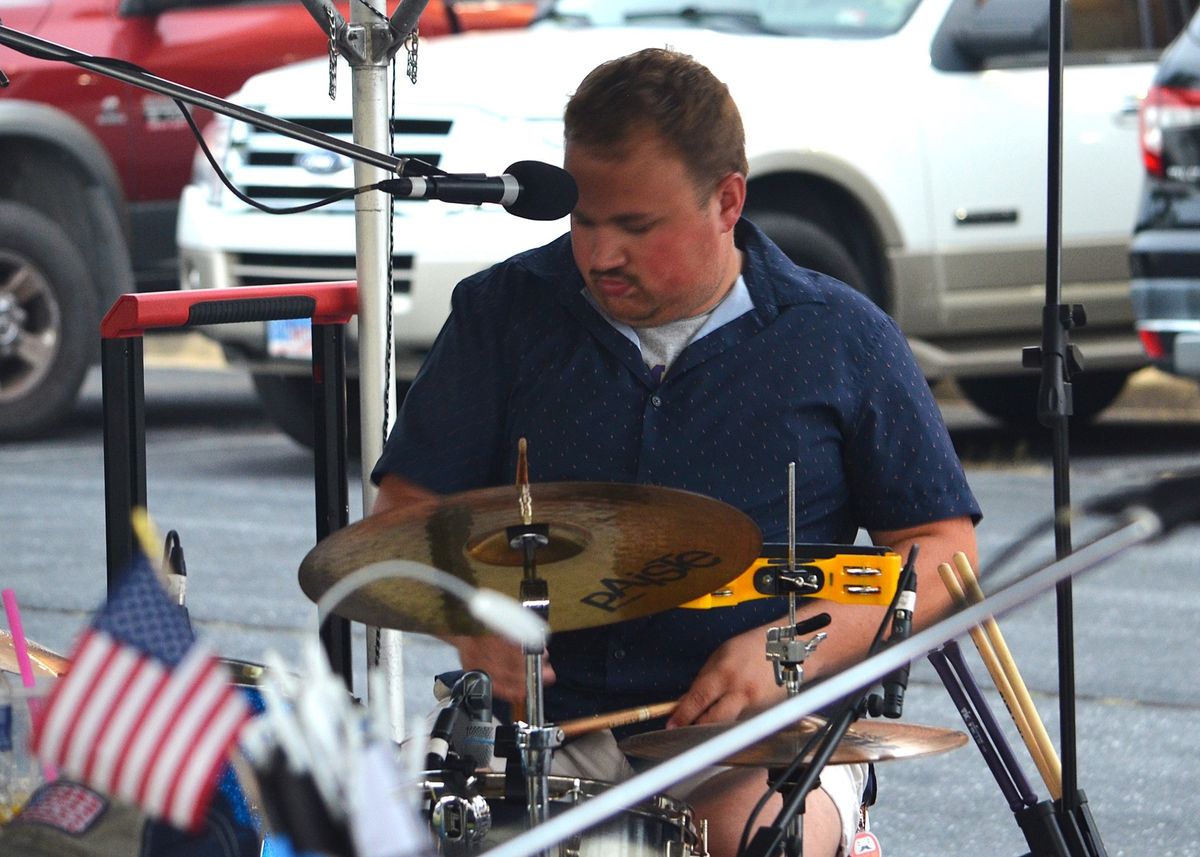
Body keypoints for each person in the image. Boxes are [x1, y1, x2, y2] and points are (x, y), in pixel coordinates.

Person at [371, 47, 980, 857]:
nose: (600, 253)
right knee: (399, 827)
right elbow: (403, 515)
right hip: (548, 730)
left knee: (750, 837)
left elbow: (943, 552)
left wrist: (790, 648)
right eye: (584, 219)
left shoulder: (839, 336)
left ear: (728, 201)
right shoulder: (503, 314)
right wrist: (466, 615)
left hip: (762, 731)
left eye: (636, 226)